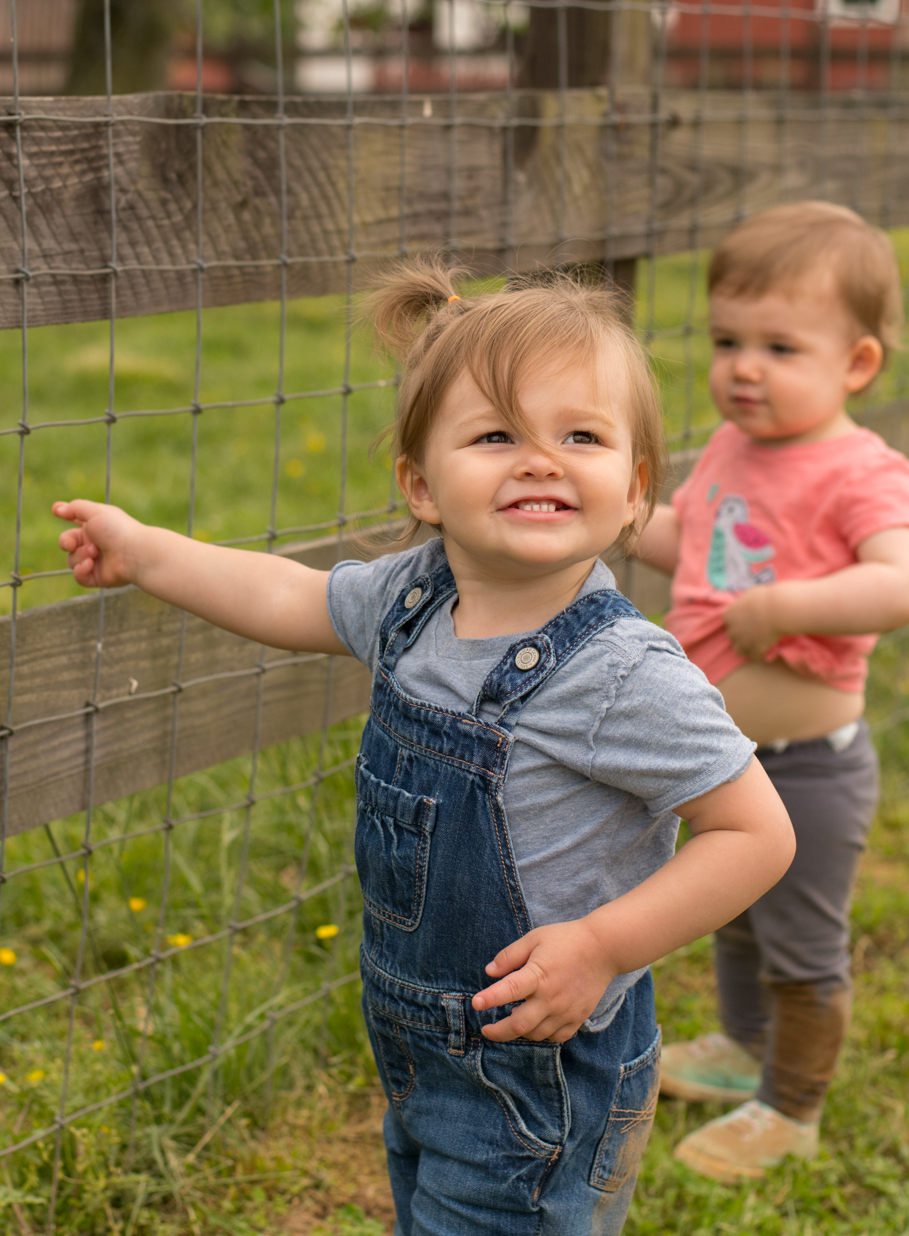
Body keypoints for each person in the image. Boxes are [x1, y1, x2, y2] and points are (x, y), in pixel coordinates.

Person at [54, 259, 795, 1234]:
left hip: (540, 1070)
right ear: (421, 483)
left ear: (632, 489)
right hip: (419, 1044)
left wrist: (602, 948)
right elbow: (289, 596)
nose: (539, 459)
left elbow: (755, 833)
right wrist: (148, 552)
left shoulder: (622, 673)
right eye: (495, 436)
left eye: (580, 435)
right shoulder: (414, 599)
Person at [627, 202, 909, 1184]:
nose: (742, 368)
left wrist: (790, 606)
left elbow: (904, 584)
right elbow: (687, 543)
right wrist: (602, 513)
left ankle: (791, 1105)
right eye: (725, 341)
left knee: (800, 939)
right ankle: (739, 1046)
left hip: (808, 771)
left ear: (856, 364)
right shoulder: (729, 449)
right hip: (726, 760)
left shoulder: (861, 473)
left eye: (777, 347)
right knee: (734, 915)